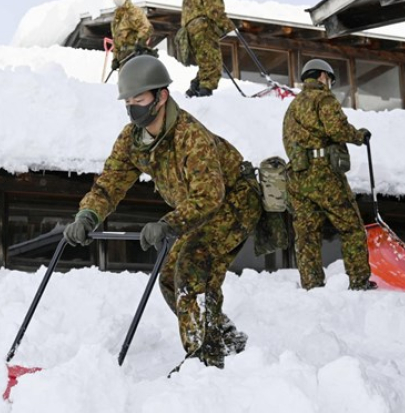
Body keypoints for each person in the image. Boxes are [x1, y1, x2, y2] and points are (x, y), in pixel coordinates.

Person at [63, 55, 262, 368]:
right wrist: (87, 215)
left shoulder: (190, 137)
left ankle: (204, 361)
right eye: (127, 101)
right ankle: (225, 338)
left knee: (192, 267)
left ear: (161, 96)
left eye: (139, 100)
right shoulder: (132, 140)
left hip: (234, 202)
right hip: (194, 209)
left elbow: (210, 196)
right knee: (169, 276)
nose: (132, 108)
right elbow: (110, 184)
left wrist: (168, 224)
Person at [282, 59, 376, 291]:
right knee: (351, 226)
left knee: (306, 233)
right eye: (330, 79)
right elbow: (337, 129)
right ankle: (359, 281)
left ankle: (312, 285)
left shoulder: (293, 107)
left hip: (297, 175)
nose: (330, 84)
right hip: (322, 174)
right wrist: (358, 135)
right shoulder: (323, 98)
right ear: (323, 76)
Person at [181, 0, 234, 98]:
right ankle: (204, 96)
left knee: (206, 64)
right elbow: (214, 9)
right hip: (203, 26)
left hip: (190, 28)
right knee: (212, 65)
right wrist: (228, 25)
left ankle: (194, 90)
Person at [110, 0, 156, 71]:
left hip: (133, 54)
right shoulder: (117, 17)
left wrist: (141, 41)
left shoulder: (134, 11)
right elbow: (116, 40)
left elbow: (146, 28)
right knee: (123, 81)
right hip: (122, 57)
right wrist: (115, 59)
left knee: (134, 79)